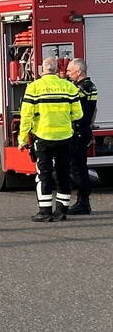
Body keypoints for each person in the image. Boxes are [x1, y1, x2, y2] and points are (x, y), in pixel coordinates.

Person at [18, 57, 83, 222]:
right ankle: (61, 211)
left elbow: (26, 116)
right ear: (57, 70)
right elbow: (78, 114)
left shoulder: (34, 87)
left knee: (44, 175)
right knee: (63, 174)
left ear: (42, 71)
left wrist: (22, 139)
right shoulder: (69, 87)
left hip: (43, 137)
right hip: (65, 137)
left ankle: (45, 212)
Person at [66, 58, 97, 215]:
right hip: (83, 130)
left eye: (69, 70)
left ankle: (83, 202)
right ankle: (82, 201)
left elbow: (70, 98)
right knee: (79, 167)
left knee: (78, 168)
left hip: (79, 131)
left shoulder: (83, 88)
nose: (67, 73)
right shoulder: (89, 86)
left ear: (79, 71)